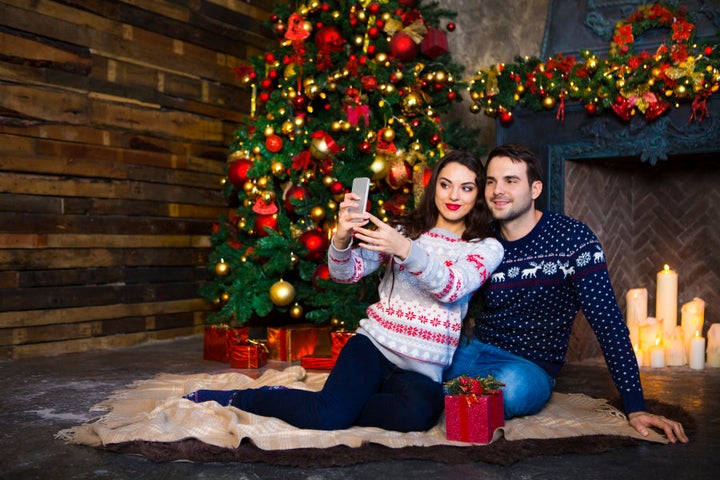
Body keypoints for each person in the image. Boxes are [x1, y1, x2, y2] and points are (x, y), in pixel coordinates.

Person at [186, 150, 504, 432]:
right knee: (328, 418)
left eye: (467, 187)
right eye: (445, 184)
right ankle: (247, 398)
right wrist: (340, 238)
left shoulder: (485, 247)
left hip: (422, 369)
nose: (453, 195)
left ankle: (338, 403)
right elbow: (345, 273)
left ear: (478, 195)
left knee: (419, 416)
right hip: (373, 347)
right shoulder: (402, 231)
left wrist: (405, 250)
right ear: (433, 186)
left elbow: (453, 287)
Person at [443, 143, 688, 443]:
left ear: (535, 189)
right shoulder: (481, 240)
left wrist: (635, 407)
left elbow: (608, 324)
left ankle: (453, 391)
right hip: (476, 349)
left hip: (528, 367)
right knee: (422, 366)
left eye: (510, 180)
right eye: (491, 181)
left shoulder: (573, 239)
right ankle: (455, 390)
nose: (497, 190)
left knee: (512, 389)